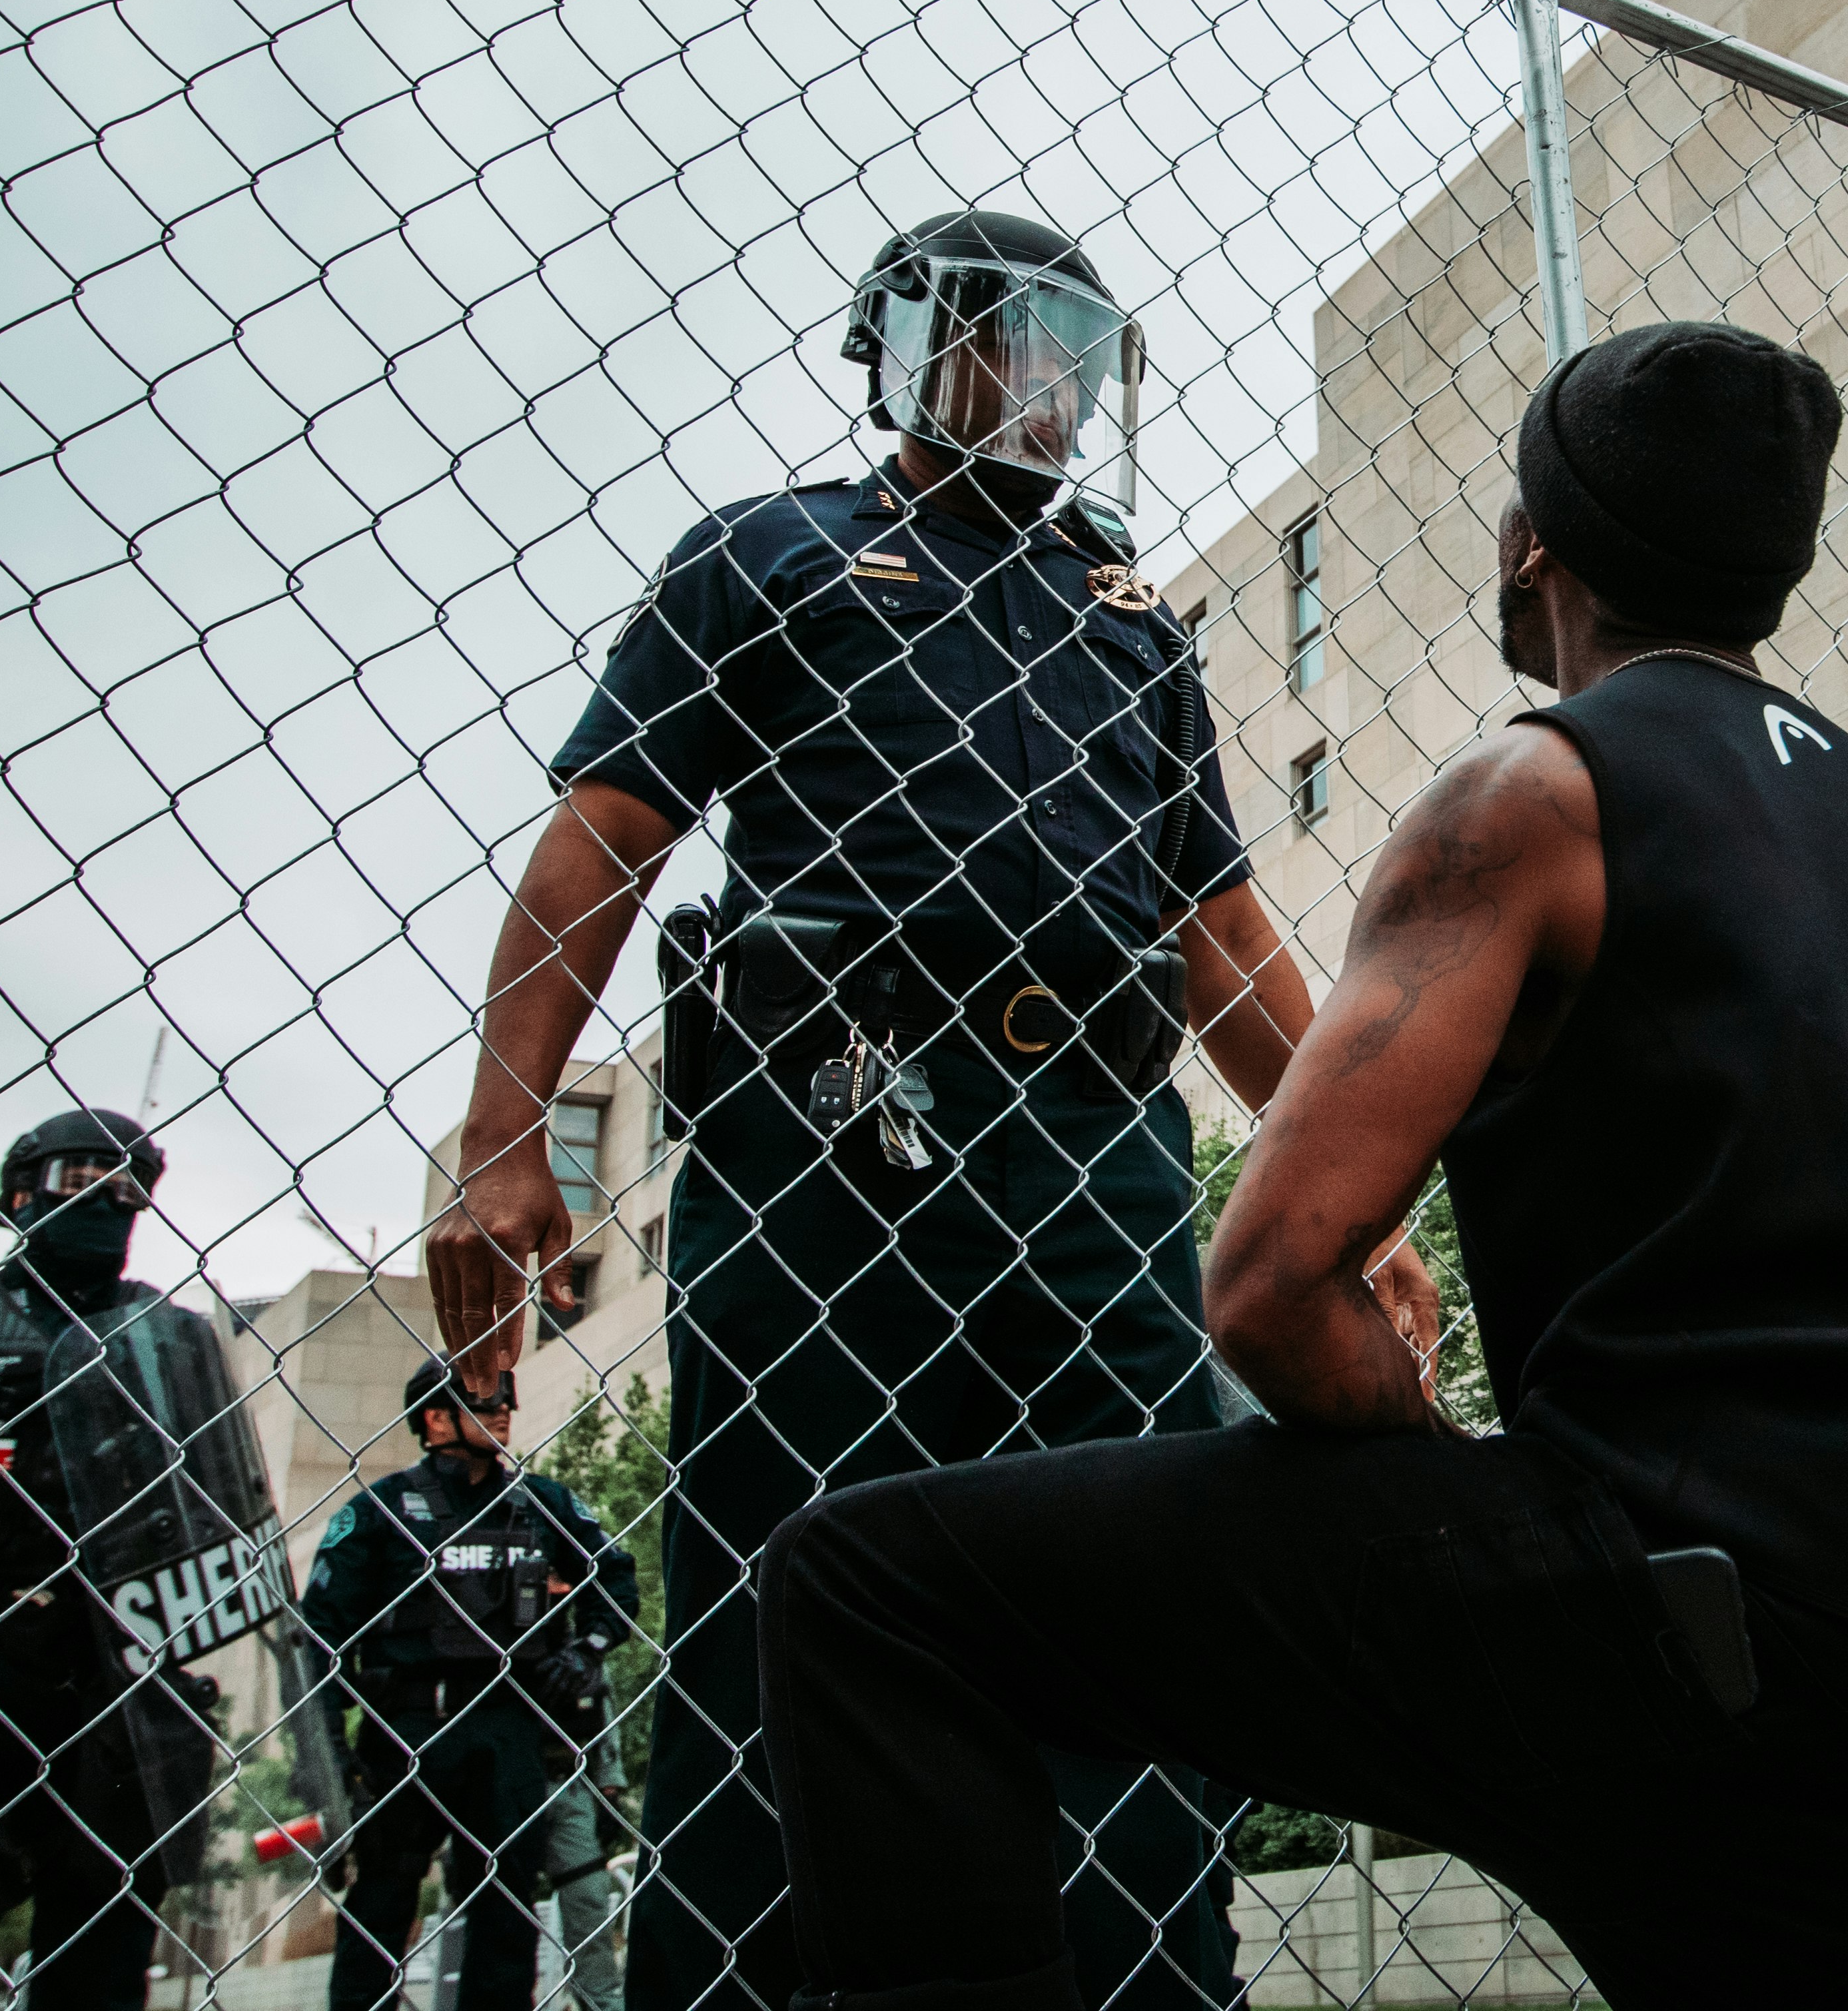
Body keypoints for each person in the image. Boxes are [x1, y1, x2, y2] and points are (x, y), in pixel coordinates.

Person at [753, 321, 1848, 2010]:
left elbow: (1267, 1284)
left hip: (1677, 1624)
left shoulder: (1535, 790)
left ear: (1534, 545)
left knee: (866, 1589)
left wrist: (1425, 1443)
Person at [421, 206, 1427, 2011]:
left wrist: (1356, 1209)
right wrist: (504, 1140)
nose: (1041, 382)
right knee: (780, 1591)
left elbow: (1220, 934)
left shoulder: (1125, 614)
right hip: (831, 1138)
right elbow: (603, 833)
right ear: (906, 347)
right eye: (1003, 336)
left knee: (1137, 1591)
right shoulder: (769, 555)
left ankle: (1135, 1986)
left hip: (1099, 1155)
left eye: (1072, 349)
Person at [0, 1108, 219, 2011]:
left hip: (117, 1657)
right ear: (20, 1191)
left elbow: (220, 1505)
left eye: (131, 1187)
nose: (112, 1200)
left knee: (105, 1928)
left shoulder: (168, 1337)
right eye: (85, 1179)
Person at [306, 1360, 638, 2011]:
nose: (503, 1410)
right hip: (408, 1733)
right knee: (381, 1900)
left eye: (506, 1398)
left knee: (506, 1910)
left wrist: (588, 1648)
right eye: (484, 1399)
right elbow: (320, 1632)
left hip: (510, 1730)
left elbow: (616, 1576)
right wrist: (327, 1750)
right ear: (434, 1418)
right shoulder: (380, 1511)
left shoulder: (543, 1502)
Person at [536, 1679, 628, 2011]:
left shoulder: (576, 1643)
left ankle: (602, 2001)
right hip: (506, 1774)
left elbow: (599, 1694)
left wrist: (609, 1785)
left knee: (589, 1897)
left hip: (568, 1781)